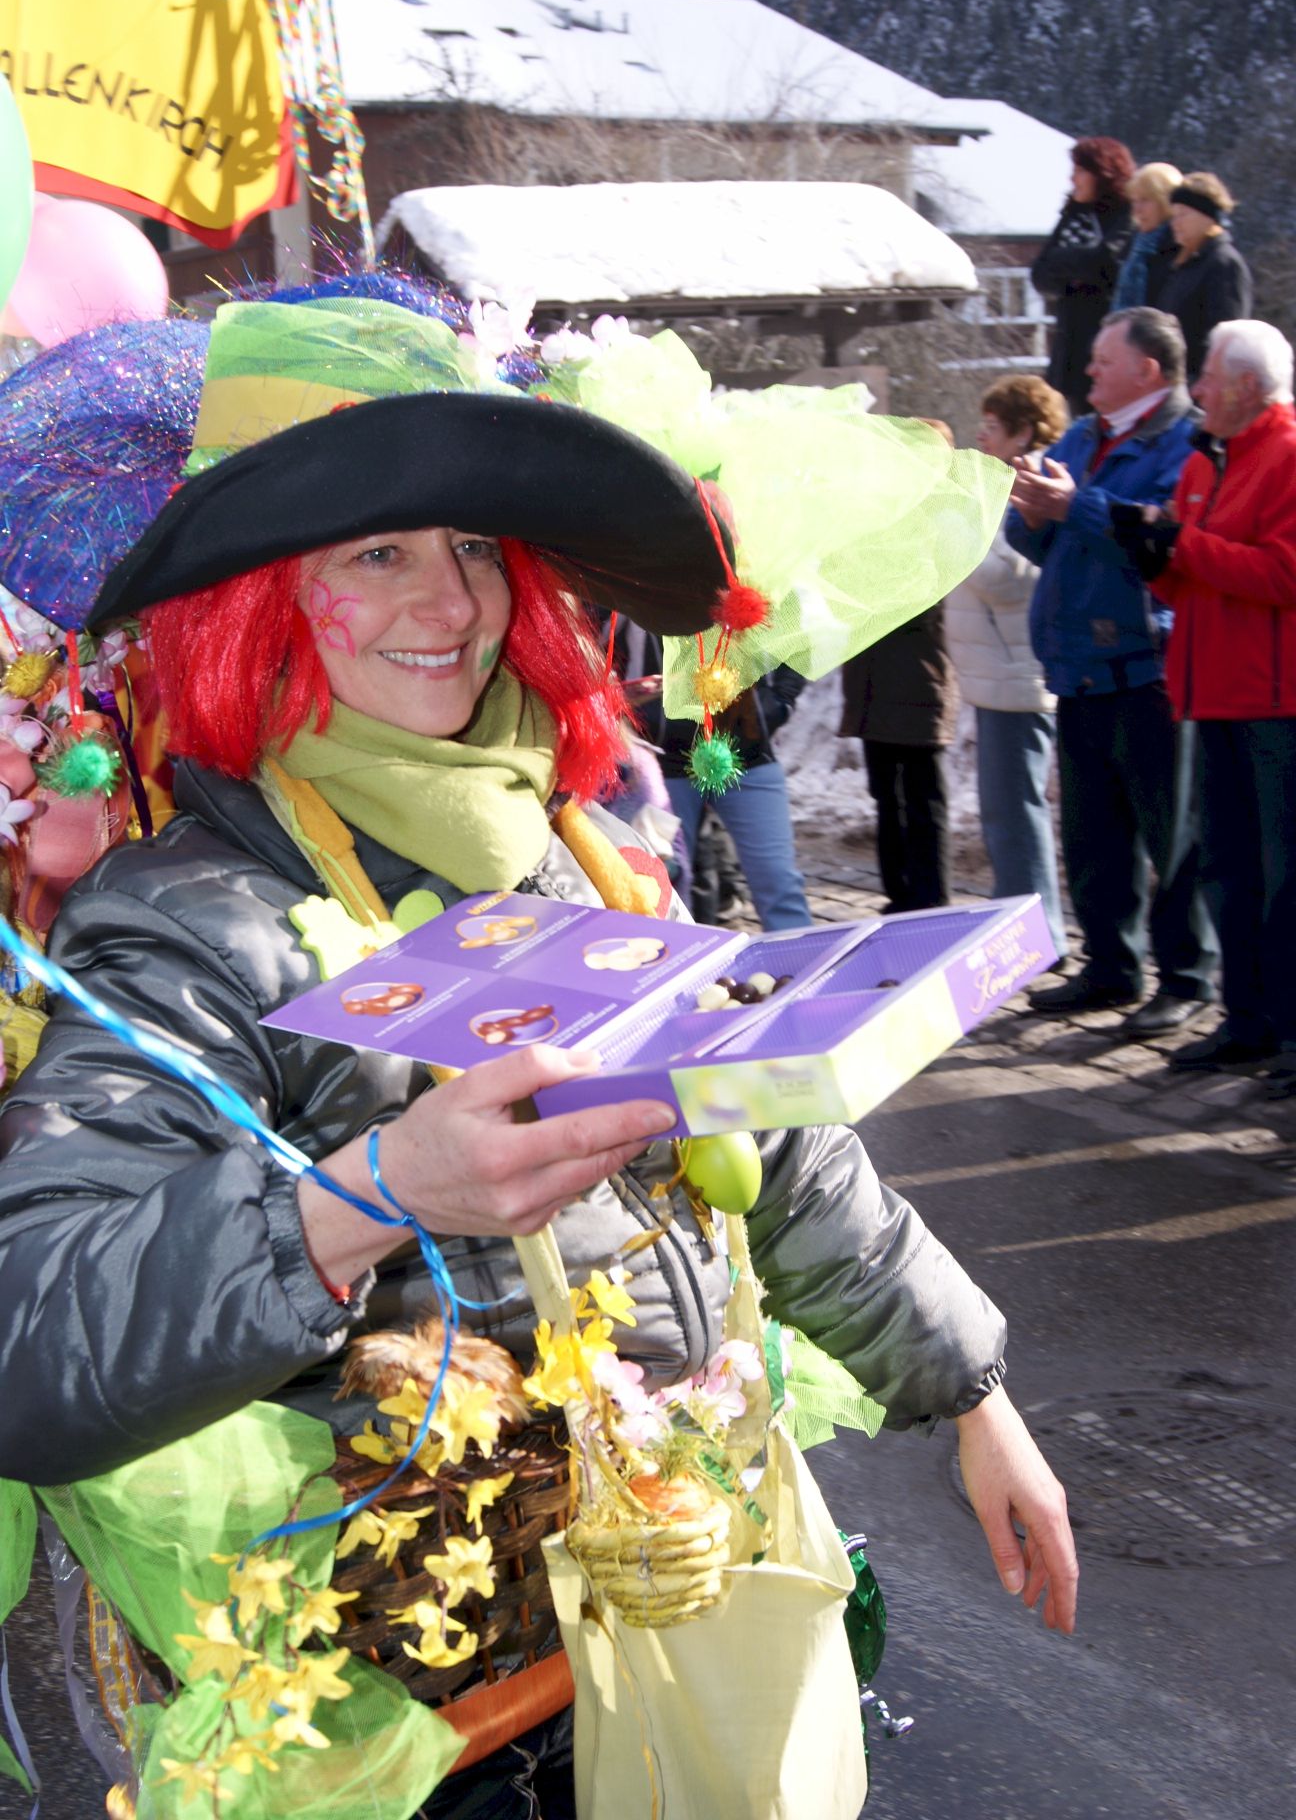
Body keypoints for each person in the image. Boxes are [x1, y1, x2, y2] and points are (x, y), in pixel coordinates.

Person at [0, 290, 1076, 1817]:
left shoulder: (577, 844)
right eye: (377, 553)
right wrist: (374, 1190)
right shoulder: (184, 924)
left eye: (475, 551)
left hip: (689, 1605)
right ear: (252, 601)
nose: (448, 607)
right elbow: (33, 1350)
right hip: (425, 1725)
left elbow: (768, 1143)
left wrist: (976, 1396)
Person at [1005, 306, 1218, 1035]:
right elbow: (1038, 543)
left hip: (1148, 667)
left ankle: (1188, 975)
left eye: (1102, 359)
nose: (1088, 371)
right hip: (1078, 667)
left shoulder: (1185, 440)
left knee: (1172, 835)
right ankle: (1110, 965)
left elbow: (1163, 536)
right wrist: (1030, 509)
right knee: (1094, 837)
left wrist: (1077, 505)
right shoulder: (1084, 435)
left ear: (1148, 370)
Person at [1113, 321, 1296, 1087]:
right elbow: (1193, 580)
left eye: (1210, 380)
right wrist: (1154, 556)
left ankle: (1286, 1034)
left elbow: (1284, 575)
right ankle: (1246, 1021)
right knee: (1229, 869)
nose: (1198, 394)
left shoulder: (1286, 455)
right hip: (1213, 692)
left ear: (1248, 388)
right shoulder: (1205, 458)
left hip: (1272, 701)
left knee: (1283, 875)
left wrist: (1182, 546)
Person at [946, 374, 1071, 961]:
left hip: (1019, 677)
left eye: (993, 426)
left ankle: (1035, 933)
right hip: (1000, 676)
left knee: (1016, 812)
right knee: (1005, 810)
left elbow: (1008, 577)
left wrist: (953, 536)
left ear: (1023, 430)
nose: (981, 435)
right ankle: (1022, 923)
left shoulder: (1036, 484)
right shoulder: (1004, 483)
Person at [612, 619, 812, 930]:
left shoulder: (751, 574)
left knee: (779, 884)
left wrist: (778, 703)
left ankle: (802, 970)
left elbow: (798, 637)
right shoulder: (638, 575)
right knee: (660, 886)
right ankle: (671, 968)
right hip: (665, 764)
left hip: (748, 755)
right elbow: (598, 643)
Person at [1031, 136, 1135, 415]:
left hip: (1105, 346)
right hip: (1069, 352)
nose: (1072, 179)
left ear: (1101, 173)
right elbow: (1040, 273)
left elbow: (1106, 263)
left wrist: (1068, 266)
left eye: (1080, 171)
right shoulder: (1074, 214)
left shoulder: (1126, 215)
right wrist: (1078, 268)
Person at [1153, 172, 1253, 380]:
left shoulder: (1223, 264)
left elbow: (1224, 338)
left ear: (1206, 217)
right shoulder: (1183, 263)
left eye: (1183, 214)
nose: (1175, 223)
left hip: (1197, 386)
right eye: (1174, 215)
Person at [1112, 162, 1182, 312]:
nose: (1137, 209)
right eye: (1134, 201)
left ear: (1165, 202)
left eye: (1145, 200)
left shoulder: (1180, 247)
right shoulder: (1133, 245)